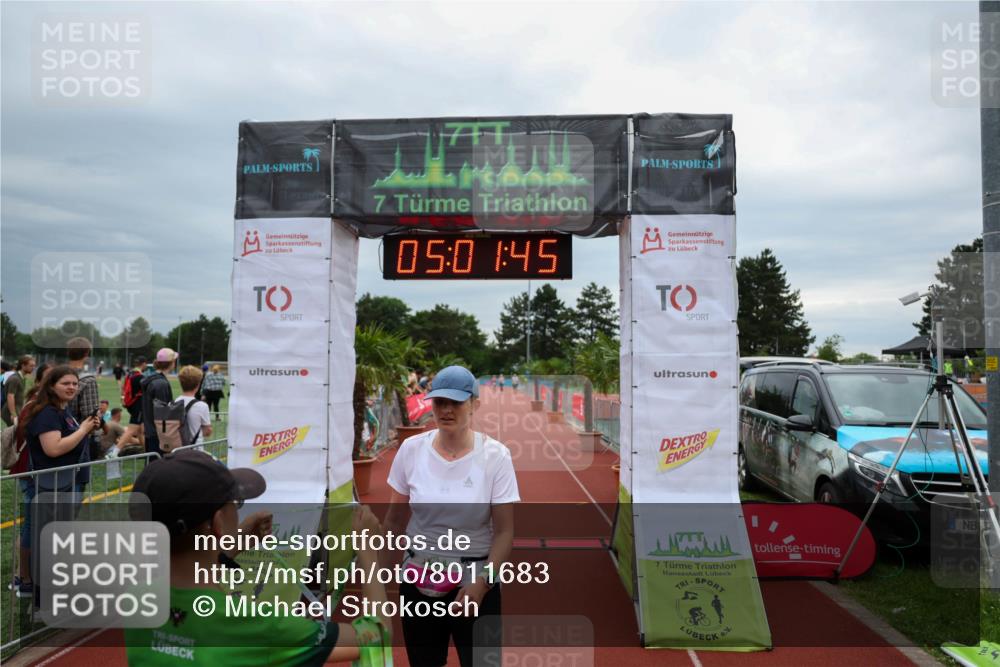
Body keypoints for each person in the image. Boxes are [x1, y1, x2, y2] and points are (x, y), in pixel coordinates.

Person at [124, 449, 390, 665]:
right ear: (217, 523)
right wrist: (366, 549)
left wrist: (230, 545)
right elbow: (375, 636)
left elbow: (184, 575)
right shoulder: (256, 624)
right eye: (235, 504)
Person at [384, 365, 520, 667]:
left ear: (475, 404)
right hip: (417, 580)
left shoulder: (496, 456)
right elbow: (393, 521)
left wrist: (483, 584)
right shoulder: (411, 450)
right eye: (439, 402)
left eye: (456, 402)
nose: (446, 410)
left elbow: (504, 532)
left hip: (474, 584)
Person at [7, 362, 50, 598]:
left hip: (28, 471)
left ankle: (22, 576)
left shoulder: (36, 404)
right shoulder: (37, 407)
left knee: (31, 524)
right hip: (30, 472)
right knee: (32, 525)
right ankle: (25, 579)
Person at [66, 337, 102, 477]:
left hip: (54, 434)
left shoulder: (56, 375)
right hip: (77, 437)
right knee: (75, 485)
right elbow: (90, 415)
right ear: (87, 353)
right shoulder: (88, 380)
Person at [142, 349, 176, 455]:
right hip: (158, 434)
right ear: (171, 363)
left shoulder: (153, 379)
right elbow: (163, 413)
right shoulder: (160, 383)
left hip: (151, 431)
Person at [177, 365, 211, 445]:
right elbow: (207, 431)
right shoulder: (202, 406)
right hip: (196, 449)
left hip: (178, 448)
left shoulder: (174, 402)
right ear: (198, 385)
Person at [120, 356, 147, 450]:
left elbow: (123, 387)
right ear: (143, 364)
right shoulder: (140, 376)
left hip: (129, 404)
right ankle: (114, 452)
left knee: (140, 430)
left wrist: (122, 398)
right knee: (131, 430)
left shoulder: (129, 373)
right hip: (137, 406)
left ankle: (146, 451)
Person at [2, 355, 36, 427]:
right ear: (23, 365)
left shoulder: (22, 378)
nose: (33, 368)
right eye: (31, 366)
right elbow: (10, 396)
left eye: (34, 366)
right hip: (10, 413)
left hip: (16, 411)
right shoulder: (15, 379)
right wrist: (13, 414)